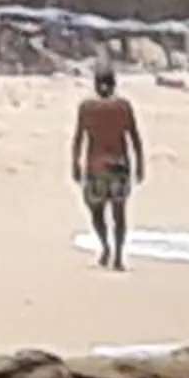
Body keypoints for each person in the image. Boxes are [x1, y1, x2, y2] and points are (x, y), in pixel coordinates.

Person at [70, 66, 145, 271]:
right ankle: (119, 256)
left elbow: (78, 138)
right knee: (119, 213)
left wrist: (75, 164)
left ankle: (105, 248)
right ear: (114, 84)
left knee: (96, 211)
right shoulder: (123, 107)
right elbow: (135, 138)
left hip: (96, 168)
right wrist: (140, 165)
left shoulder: (87, 107)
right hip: (120, 166)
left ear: (96, 85)